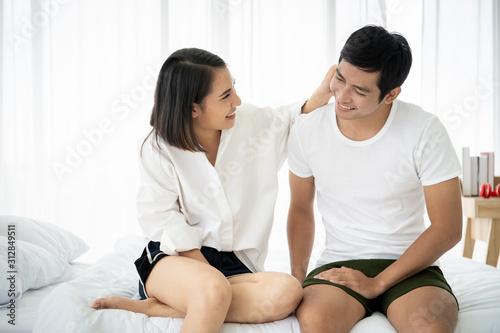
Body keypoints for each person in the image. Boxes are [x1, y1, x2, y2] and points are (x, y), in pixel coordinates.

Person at [91, 47, 335, 332]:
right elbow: (161, 217)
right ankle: (203, 296)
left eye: (234, 88)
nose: (238, 101)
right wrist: (208, 275)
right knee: (213, 288)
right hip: (176, 258)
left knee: (288, 291)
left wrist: (322, 94)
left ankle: (162, 307)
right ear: (192, 108)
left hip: (237, 265)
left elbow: (293, 118)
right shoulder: (157, 148)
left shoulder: (250, 122)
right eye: (225, 96)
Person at [287, 25, 462, 333]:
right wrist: (297, 278)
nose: (342, 96)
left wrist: (378, 283)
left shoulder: (424, 130)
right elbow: (300, 208)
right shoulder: (307, 129)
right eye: (339, 78)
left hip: (411, 265)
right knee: (315, 322)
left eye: (360, 90)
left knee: (430, 326)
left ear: (391, 94)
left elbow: (448, 228)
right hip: (340, 263)